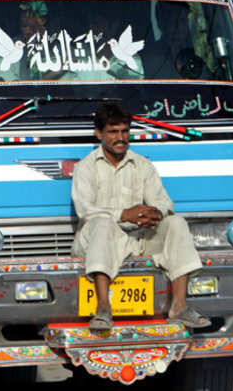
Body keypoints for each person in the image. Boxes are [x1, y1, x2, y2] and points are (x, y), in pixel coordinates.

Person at [71, 101, 211, 331]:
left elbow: (165, 202)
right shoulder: (85, 167)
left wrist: (153, 213)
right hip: (98, 240)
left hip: (137, 239)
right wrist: (125, 215)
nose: (120, 137)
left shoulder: (142, 165)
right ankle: (104, 308)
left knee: (175, 222)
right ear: (99, 133)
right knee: (102, 223)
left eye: (125, 131)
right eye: (113, 131)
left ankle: (180, 306)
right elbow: (85, 209)